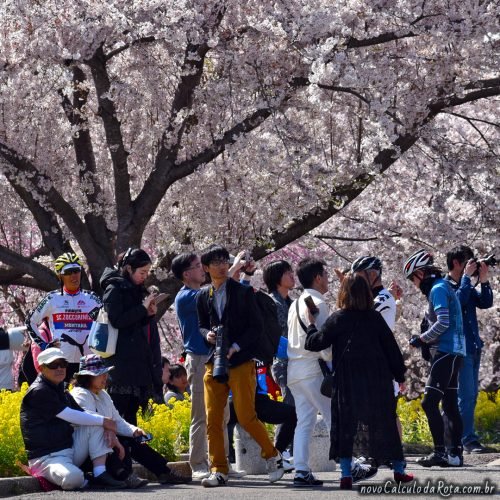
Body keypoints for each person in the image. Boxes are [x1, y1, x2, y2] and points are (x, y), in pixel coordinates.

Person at [303, 274, 413, 490]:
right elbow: (392, 349)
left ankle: (346, 475)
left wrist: (311, 324)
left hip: (347, 381)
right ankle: (398, 471)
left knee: (346, 425)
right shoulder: (375, 318)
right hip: (377, 379)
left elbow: (314, 343)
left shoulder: (338, 318)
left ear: (344, 293)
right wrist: (400, 376)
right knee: (385, 422)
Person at [197, 244, 284, 487]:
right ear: (206, 268)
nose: (222, 265)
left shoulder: (243, 293)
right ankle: (219, 469)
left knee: (246, 416)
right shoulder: (203, 295)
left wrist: (235, 345)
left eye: (225, 260)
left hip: (241, 361)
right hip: (214, 362)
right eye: (215, 262)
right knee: (213, 419)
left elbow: (256, 327)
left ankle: (273, 455)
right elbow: (202, 324)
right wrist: (208, 337)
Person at [71, 354, 190, 486]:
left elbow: (117, 421)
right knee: (104, 429)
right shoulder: (80, 393)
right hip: (80, 450)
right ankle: (116, 474)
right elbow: (92, 420)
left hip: (97, 449)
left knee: (133, 438)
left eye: (105, 373)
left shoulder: (102, 394)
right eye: (100, 374)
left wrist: (134, 430)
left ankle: (163, 471)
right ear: (88, 376)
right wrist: (111, 432)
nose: (105, 377)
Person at [20, 348, 125, 490]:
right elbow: (69, 414)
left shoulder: (60, 389)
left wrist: (111, 432)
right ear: (41, 368)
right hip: (47, 458)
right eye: (53, 365)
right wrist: (105, 421)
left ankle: (100, 473)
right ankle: (87, 480)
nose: (59, 368)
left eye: (63, 364)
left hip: (69, 451)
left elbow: (83, 414)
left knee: (94, 421)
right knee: (73, 478)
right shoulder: (39, 391)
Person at [404, 249, 465, 467]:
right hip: (457, 352)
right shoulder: (445, 286)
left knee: (429, 403)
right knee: (449, 405)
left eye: (413, 279)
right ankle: (454, 454)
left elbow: (443, 322)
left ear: (421, 274)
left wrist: (421, 339)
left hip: (445, 351)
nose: (414, 284)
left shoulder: (438, 289)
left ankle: (440, 452)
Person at [286, 258, 333, 487]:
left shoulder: (294, 304)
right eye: (325, 274)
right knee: (334, 415)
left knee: (304, 422)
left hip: (294, 369)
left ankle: (301, 470)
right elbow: (323, 343)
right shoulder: (318, 303)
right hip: (314, 369)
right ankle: (349, 464)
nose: (327, 279)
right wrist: (332, 359)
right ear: (317, 277)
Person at [99, 248, 160, 425]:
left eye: (147, 272)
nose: (145, 276)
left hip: (136, 360)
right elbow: (117, 320)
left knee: (132, 414)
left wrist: (148, 314)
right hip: (120, 362)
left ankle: (130, 451)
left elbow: (132, 324)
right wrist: (142, 309)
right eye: (142, 272)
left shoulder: (136, 289)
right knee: (120, 411)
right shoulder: (114, 288)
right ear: (128, 269)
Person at [445, 245, 494, 454]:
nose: (471, 266)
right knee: (465, 395)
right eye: (468, 262)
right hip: (459, 348)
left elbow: (485, 302)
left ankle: (464, 437)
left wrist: (483, 280)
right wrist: (466, 278)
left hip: (473, 346)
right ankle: (466, 440)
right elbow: (458, 301)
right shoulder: (445, 286)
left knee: (471, 394)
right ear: (456, 263)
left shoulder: (465, 284)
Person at [26, 252, 102, 381]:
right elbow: (30, 322)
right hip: (61, 362)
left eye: (76, 270)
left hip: (88, 362)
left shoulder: (92, 298)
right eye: (68, 272)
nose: (74, 275)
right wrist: (44, 345)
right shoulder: (52, 299)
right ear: (60, 276)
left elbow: (106, 323)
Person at [171, 252, 211, 478]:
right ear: (186, 274)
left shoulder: (200, 293)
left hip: (213, 358)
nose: (203, 269)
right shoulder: (186, 296)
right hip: (197, 359)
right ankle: (198, 464)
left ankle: (220, 461)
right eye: (198, 266)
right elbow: (212, 294)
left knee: (221, 414)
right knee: (200, 414)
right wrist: (232, 270)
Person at [227, 359, 297, 471]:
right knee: (222, 420)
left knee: (292, 414)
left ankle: (277, 456)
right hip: (237, 397)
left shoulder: (266, 346)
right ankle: (226, 460)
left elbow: (285, 347)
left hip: (260, 400)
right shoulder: (236, 348)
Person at [263, 260, 295, 407]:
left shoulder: (293, 303)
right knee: (290, 407)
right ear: (277, 278)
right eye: (287, 272)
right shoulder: (269, 303)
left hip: (298, 358)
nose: (292, 275)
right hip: (283, 361)